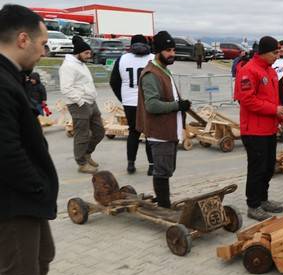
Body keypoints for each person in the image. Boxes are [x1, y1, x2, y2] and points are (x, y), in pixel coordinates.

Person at [0, 3, 75, 275]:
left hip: (26, 197)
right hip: (14, 200)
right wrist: (35, 185)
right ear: (23, 38)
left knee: (42, 257)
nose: (45, 51)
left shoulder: (12, 74)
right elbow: (6, 150)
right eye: (43, 43)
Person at [235, 36, 283, 221]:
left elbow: (272, 100)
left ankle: (263, 199)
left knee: (268, 167)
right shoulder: (248, 71)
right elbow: (247, 100)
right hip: (253, 131)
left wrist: (278, 116)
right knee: (257, 169)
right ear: (264, 52)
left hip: (269, 129)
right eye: (274, 53)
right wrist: (274, 109)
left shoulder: (271, 72)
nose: (276, 56)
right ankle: (253, 204)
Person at [136, 31, 190, 209]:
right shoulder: (151, 74)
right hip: (160, 132)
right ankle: (164, 208)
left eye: (173, 49)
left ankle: (163, 202)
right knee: (162, 172)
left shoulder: (163, 70)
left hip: (169, 130)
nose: (172, 54)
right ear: (158, 51)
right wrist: (177, 106)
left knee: (166, 170)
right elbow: (152, 106)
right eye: (168, 50)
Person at [109, 34, 154, 174]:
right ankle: (152, 166)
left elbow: (114, 81)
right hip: (148, 100)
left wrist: (123, 98)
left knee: (133, 133)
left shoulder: (122, 59)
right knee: (149, 134)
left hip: (129, 102)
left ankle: (131, 164)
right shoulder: (152, 58)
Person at [59, 35, 105, 174]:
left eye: (89, 53)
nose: (89, 55)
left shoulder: (81, 64)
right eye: (86, 53)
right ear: (78, 53)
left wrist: (90, 99)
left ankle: (86, 153)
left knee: (99, 131)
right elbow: (66, 88)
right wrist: (80, 101)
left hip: (91, 102)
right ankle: (81, 163)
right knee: (82, 135)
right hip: (78, 104)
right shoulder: (68, 66)